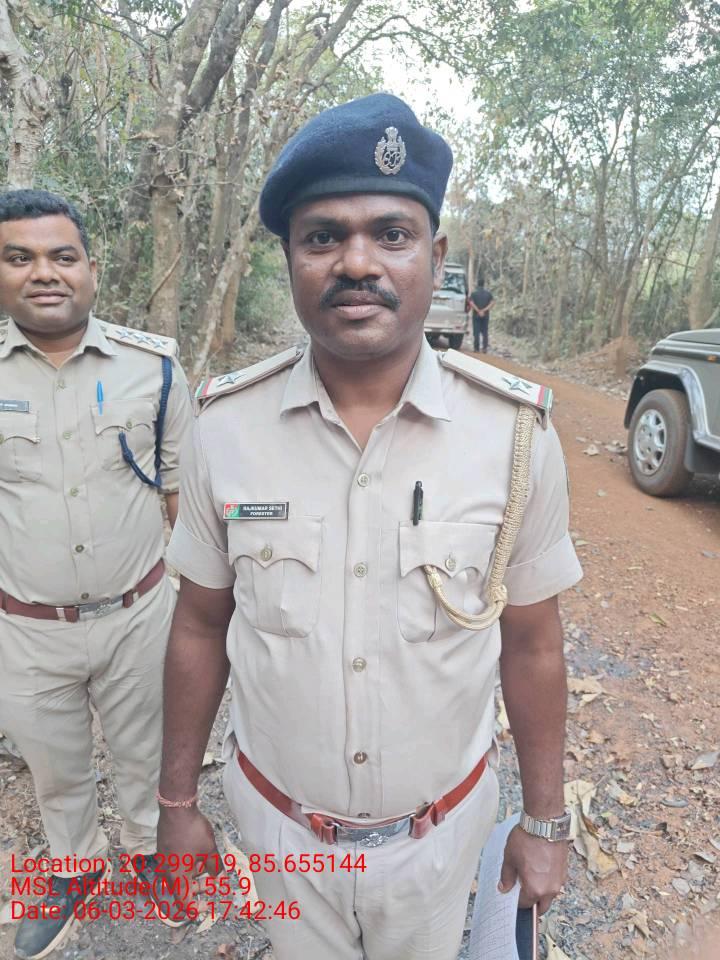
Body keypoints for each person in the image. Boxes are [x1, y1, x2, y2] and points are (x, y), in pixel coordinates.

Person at [158, 93, 582, 960]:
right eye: (323, 237)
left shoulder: (514, 438)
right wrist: (176, 805)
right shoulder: (224, 429)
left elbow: (534, 643)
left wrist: (544, 820)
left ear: (436, 254)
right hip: (279, 831)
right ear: (289, 258)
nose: (357, 262)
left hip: (439, 841)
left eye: (391, 233)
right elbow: (199, 626)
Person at [0, 190, 193, 959]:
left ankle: (150, 855)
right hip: (25, 627)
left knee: (149, 752)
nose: (44, 273)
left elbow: (182, 498)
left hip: (139, 614)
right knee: (55, 767)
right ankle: (74, 866)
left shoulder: (155, 368)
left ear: (92, 268)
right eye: (19, 258)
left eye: (62, 256)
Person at [468, 276, 494, 353]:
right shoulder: (488, 294)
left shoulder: (474, 293)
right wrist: (484, 310)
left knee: (476, 331)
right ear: (483, 284)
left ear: (477, 284)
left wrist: (478, 310)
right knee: (485, 332)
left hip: (476, 315)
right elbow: (492, 303)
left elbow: (471, 303)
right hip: (485, 315)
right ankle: (484, 348)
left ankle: (476, 348)